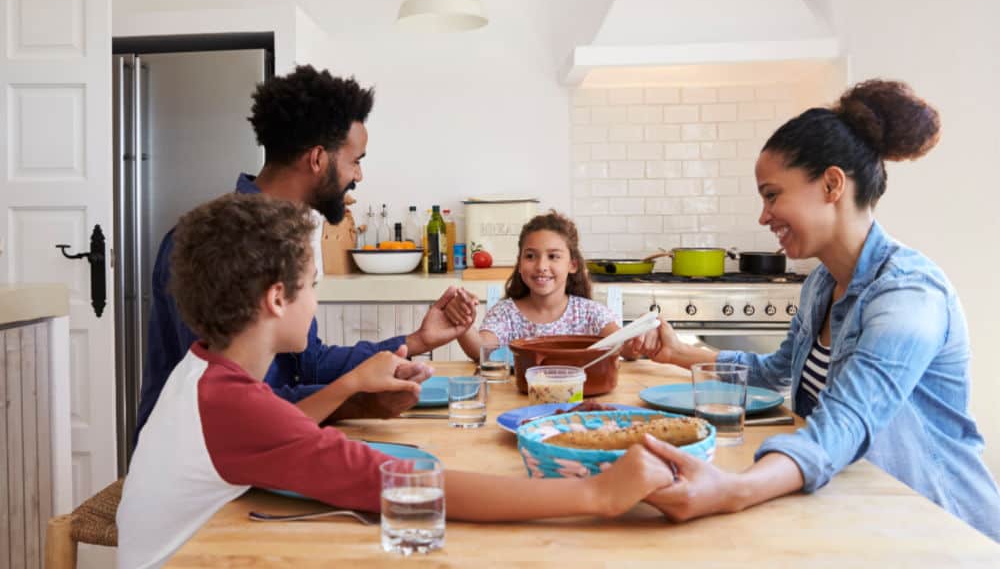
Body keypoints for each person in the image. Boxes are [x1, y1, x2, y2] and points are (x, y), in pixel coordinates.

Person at [117, 193, 680, 567]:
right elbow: (398, 480)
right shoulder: (233, 403)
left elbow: (277, 431)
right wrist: (594, 492)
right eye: (313, 284)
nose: (316, 298)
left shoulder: (204, 370)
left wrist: (352, 386)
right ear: (277, 298)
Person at [627, 79, 1000, 541]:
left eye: (771, 194)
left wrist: (732, 490)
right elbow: (777, 372)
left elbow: (846, 420)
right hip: (857, 512)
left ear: (831, 184)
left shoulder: (908, 297)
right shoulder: (822, 282)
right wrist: (679, 352)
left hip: (938, 529)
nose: (764, 216)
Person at [136, 65, 475, 440]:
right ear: (318, 159)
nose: (359, 176)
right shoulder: (216, 244)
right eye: (356, 160)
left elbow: (305, 365)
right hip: (200, 472)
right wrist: (357, 398)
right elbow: (236, 408)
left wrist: (417, 341)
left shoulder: (285, 238)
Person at [447, 211, 631, 360]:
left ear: (572, 265)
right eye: (530, 256)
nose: (541, 266)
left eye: (553, 256)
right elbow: (482, 351)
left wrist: (641, 341)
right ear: (519, 263)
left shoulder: (590, 313)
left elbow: (623, 346)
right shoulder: (505, 313)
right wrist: (463, 324)